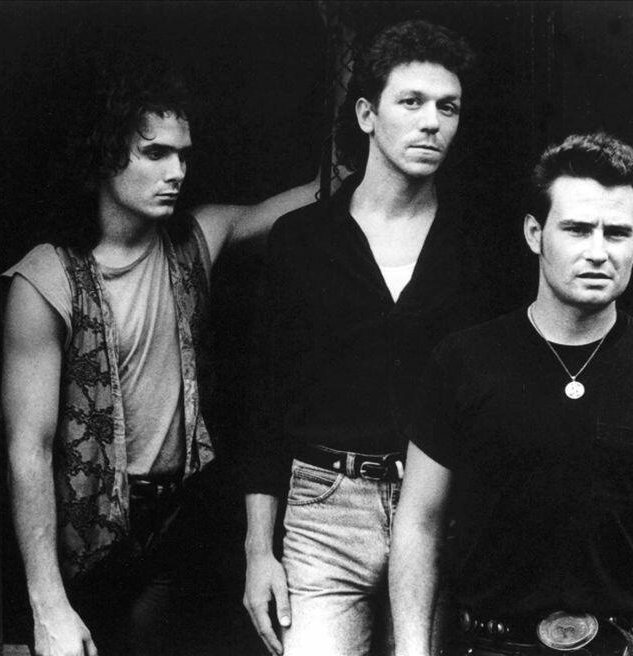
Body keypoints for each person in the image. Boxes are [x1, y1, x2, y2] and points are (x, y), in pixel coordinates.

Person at [0, 57, 321, 656]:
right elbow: (28, 450)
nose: (176, 171)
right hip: (92, 539)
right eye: (155, 153)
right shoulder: (46, 278)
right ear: (105, 157)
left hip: (185, 523)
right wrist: (47, 603)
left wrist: (358, 142)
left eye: (182, 155)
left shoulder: (195, 239)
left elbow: (310, 200)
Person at [389, 133, 633, 656]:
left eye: (617, 233)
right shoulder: (463, 362)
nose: (598, 252)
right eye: (577, 229)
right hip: (491, 646)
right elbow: (420, 524)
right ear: (535, 234)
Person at [241, 19, 481, 656]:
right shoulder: (301, 240)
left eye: (448, 107)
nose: (432, 122)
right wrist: (258, 551)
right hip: (325, 507)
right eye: (412, 102)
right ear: (367, 114)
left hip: (442, 508)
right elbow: (264, 402)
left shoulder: (479, 247)